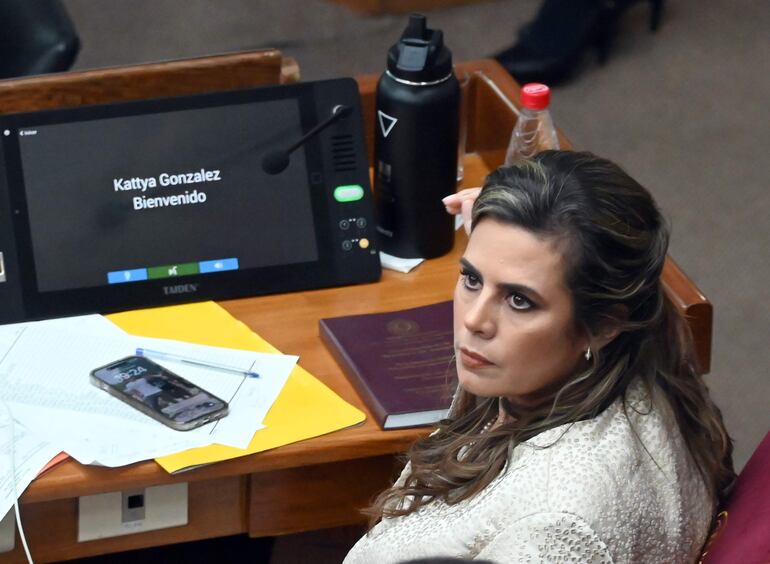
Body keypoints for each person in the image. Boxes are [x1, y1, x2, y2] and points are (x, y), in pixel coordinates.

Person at [344, 150, 734, 563]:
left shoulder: (556, 530)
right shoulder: (632, 354)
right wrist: (507, 237)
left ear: (603, 324)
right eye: (472, 278)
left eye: (519, 300)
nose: (475, 321)